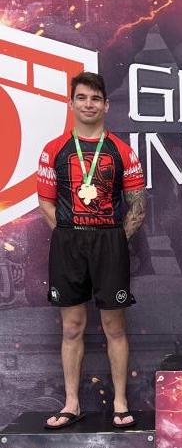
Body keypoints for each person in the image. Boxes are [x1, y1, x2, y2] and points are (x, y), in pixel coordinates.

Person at [37, 71, 146, 429]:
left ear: (106, 105)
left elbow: (137, 206)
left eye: (95, 98)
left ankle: (120, 402)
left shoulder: (122, 151)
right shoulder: (54, 149)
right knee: (72, 326)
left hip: (109, 242)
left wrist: (114, 239)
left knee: (114, 325)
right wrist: (69, 234)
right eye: (82, 98)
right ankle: (71, 404)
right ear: (71, 103)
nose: (88, 104)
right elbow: (45, 202)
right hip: (69, 242)